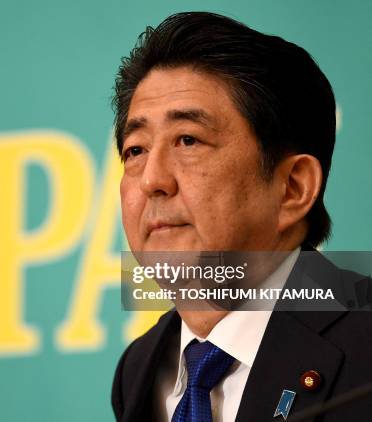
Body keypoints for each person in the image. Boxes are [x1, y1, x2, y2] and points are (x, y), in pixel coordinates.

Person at [110, 12, 372, 422]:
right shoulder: (141, 367)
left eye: (188, 140)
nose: (151, 181)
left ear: (293, 188)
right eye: (135, 150)